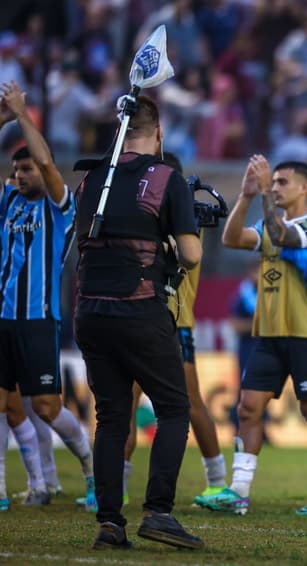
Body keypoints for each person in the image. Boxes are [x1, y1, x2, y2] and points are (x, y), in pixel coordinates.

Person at [73, 94, 204, 549]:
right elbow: (190, 255)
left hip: (89, 310)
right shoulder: (168, 178)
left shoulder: (91, 178)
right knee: (173, 408)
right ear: (159, 131)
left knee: (111, 418)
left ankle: (109, 524)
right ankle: (159, 513)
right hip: (139, 308)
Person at [196, 156, 307, 517]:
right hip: (268, 334)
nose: (275, 188)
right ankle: (238, 492)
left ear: (304, 187)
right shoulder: (265, 222)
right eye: (273, 182)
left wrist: (261, 191)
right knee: (247, 408)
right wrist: (246, 197)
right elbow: (231, 238)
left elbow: (282, 235)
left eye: (282, 182)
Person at [112, 152, 227, 510]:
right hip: (145, 319)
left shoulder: (185, 216)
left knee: (188, 405)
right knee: (127, 405)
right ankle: (119, 485)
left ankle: (217, 484)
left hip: (174, 322)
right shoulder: (160, 215)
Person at [0, 81, 95, 509]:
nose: (22, 176)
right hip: (3, 319)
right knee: (2, 406)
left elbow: (45, 159)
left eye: (29, 170)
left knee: (45, 406)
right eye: (17, 171)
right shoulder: (7, 201)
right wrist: (3, 120)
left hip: (39, 320)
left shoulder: (59, 207)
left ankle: (91, 469)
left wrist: (22, 114)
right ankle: (17, 487)